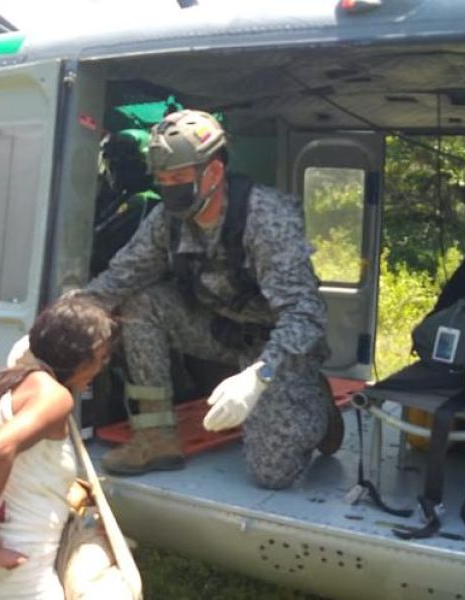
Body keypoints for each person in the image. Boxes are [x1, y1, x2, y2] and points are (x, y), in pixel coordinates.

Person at [83, 109, 344, 489]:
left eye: (179, 178)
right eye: (163, 180)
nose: (169, 188)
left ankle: (319, 410)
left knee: (273, 474)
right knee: (141, 301)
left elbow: (304, 314)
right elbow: (121, 277)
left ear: (214, 173)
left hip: (276, 349)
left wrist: (260, 377)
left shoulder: (268, 218)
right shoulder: (168, 218)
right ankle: (156, 436)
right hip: (218, 331)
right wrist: (60, 322)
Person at [0, 296, 117, 600]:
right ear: (80, 355)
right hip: (15, 563)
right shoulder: (54, 396)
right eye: (101, 357)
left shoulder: (7, 381)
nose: (100, 367)